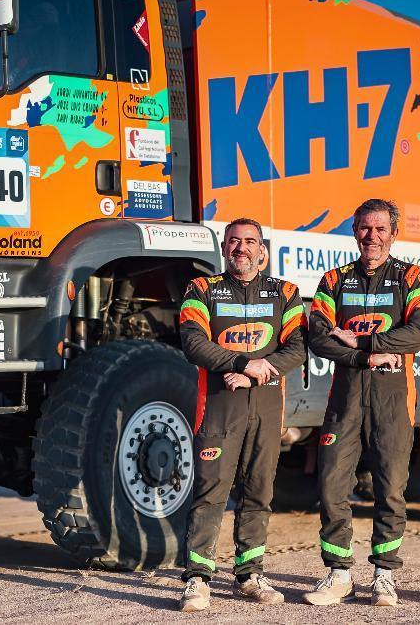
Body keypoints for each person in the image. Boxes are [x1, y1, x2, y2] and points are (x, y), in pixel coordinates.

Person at [302, 199, 420, 607]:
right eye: (364, 228)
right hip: (345, 399)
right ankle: (339, 573)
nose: (371, 237)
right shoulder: (334, 279)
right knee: (330, 484)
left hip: (394, 398)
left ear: (394, 233)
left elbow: (418, 333)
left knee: (390, 488)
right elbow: (319, 337)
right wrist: (364, 357)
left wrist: (360, 341)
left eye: (380, 229)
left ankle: (383, 575)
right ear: (354, 231)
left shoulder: (413, 276)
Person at [177, 218, 307, 612]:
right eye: (233, 241)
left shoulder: (285, 292)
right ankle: (198, 579)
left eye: (249, 241)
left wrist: (254, 372)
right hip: (219, 407)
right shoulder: (201, 290)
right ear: (224, 248)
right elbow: (193, 342)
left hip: (266, 407)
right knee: (210, 492)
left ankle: (250, 575)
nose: (241, 248)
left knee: (258, 493)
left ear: (262, 249)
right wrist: (240, 361)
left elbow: (299, 347)